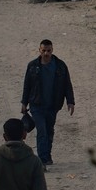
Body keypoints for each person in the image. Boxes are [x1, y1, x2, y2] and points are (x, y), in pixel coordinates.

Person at [21, 39, 75, 167]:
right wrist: (24, 103)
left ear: (52, 50)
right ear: (39, 50)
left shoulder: (60, 66)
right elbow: (27, 85)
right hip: (36, 105)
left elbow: (67, 84)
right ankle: (42, 159)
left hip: (53, 105)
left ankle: (47, 155)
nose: (46, 53)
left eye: (48, 50)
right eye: (44, 50)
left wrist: (70, 101)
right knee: (42, 131)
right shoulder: (32, 66)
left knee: (49, 130)